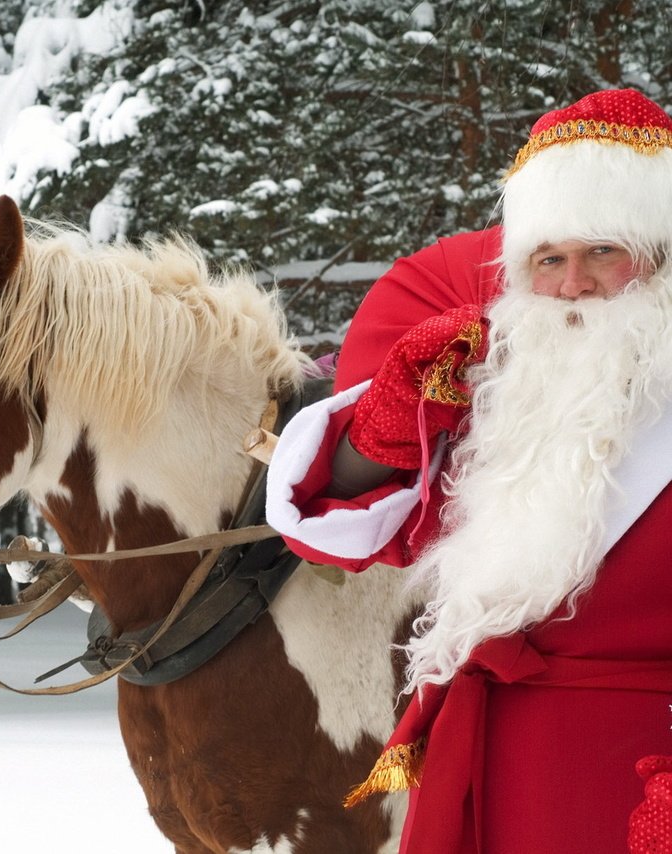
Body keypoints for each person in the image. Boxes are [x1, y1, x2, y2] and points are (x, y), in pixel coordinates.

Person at [265, 89, 672, 854]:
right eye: (549, 259)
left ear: (655, 258)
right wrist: (385, 427)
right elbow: (336, 532)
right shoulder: (499, 394)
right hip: (482, 762)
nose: (572, 284)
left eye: (603, 253)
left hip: (638, 772)